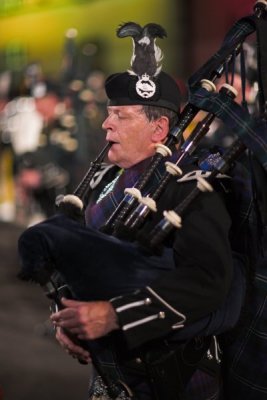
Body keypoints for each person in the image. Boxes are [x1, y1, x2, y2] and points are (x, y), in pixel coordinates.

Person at [48, 22, 246, 400]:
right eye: (109, 113)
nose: (106, 123)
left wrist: (114, 315)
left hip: (177, 378)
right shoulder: (103, 181)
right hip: (112, 375)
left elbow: (208, 281)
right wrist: (68, 315)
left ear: (159, 130)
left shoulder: (192, 188)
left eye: (121, 115)